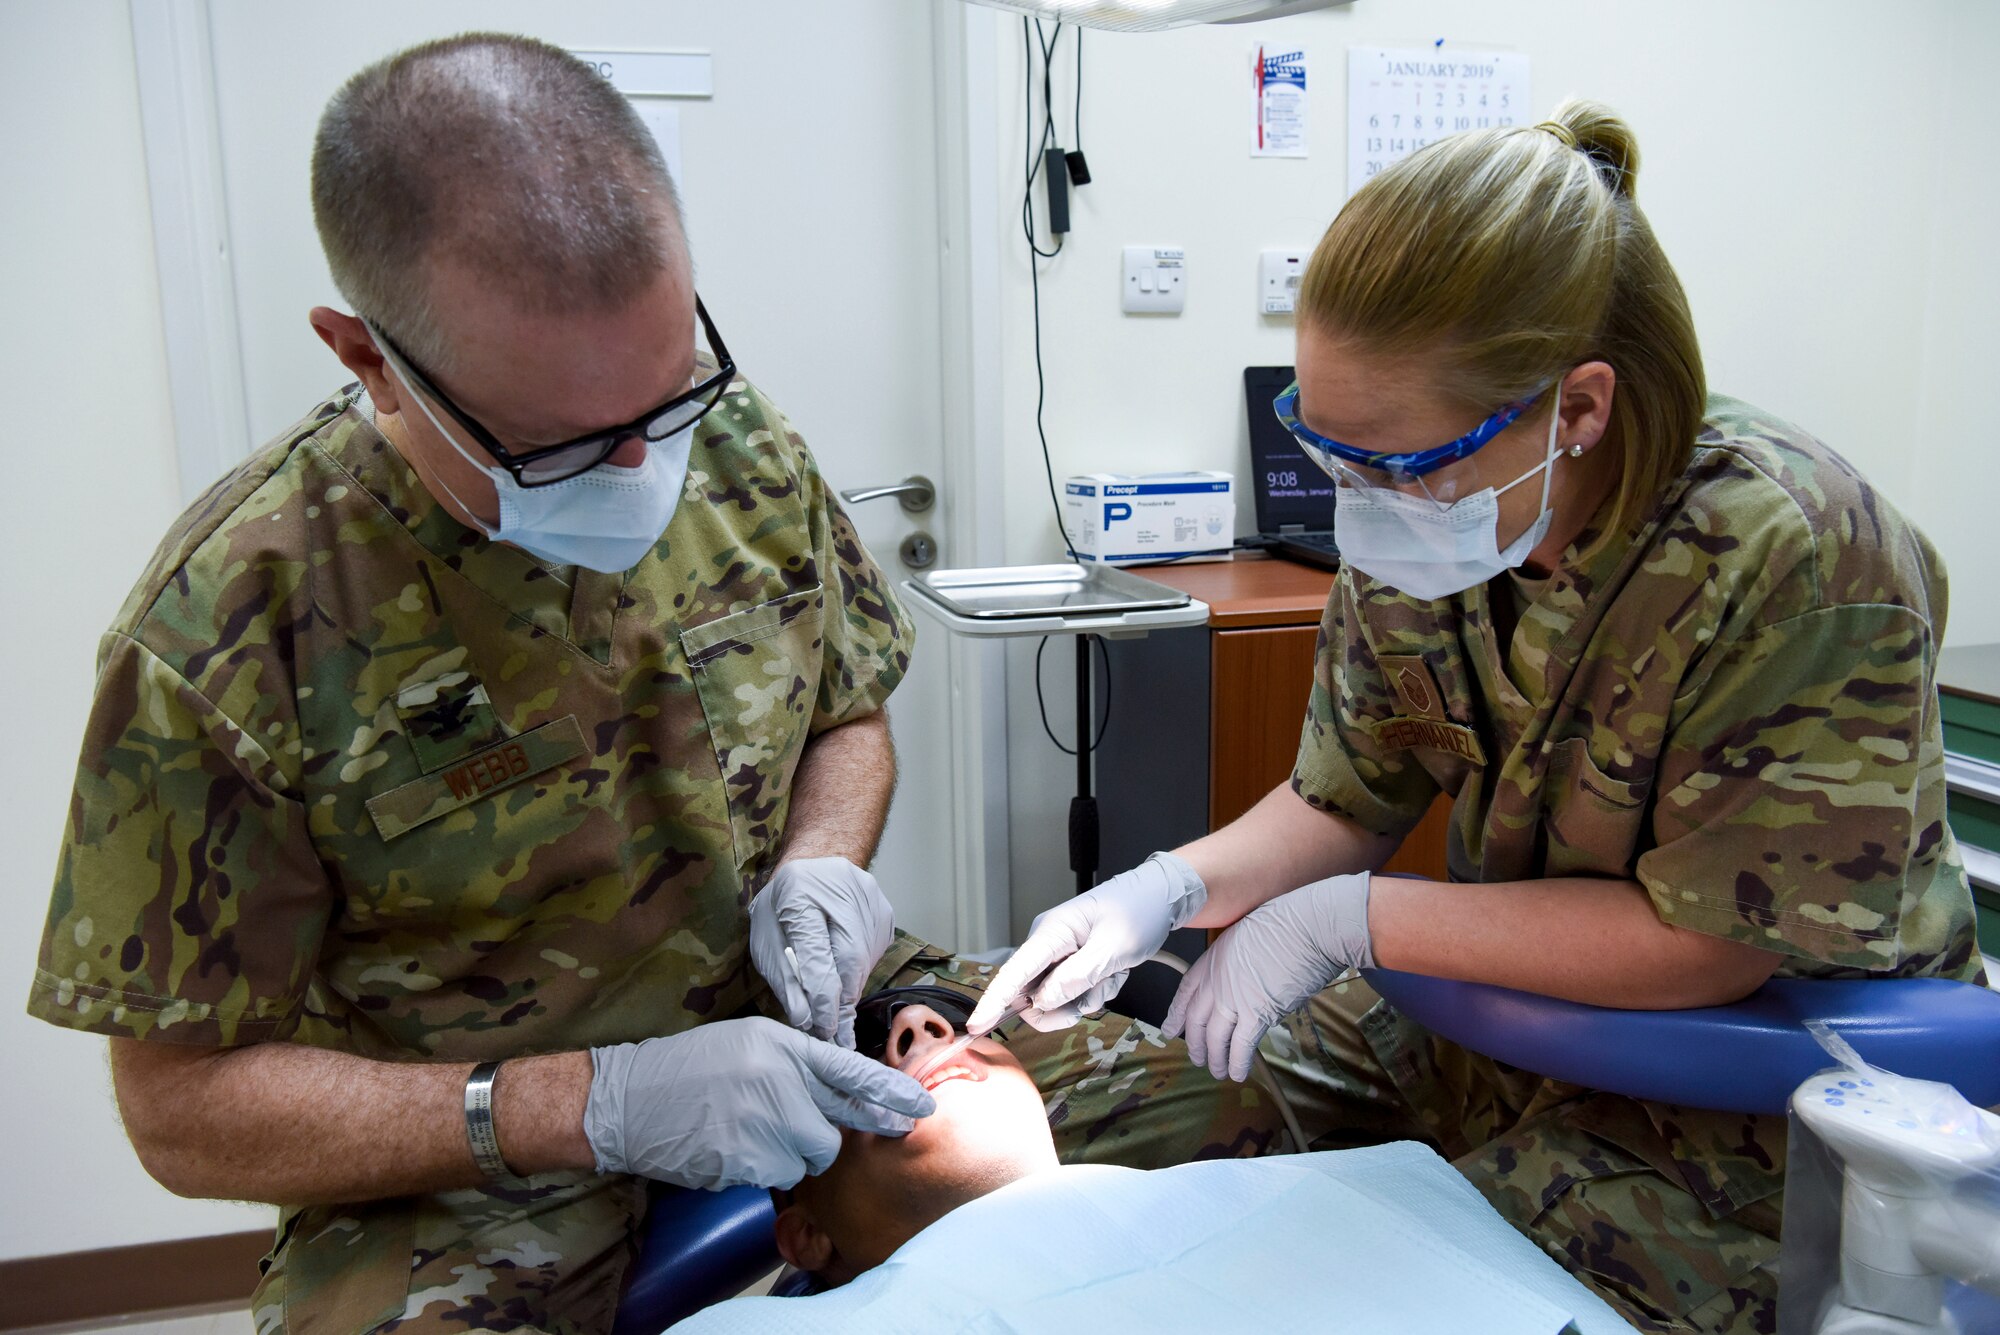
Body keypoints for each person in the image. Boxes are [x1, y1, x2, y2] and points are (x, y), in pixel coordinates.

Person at [25, 33, 1275, 1334]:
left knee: (1242, 1106)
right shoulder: (233, 628)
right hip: (476, 1136)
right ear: (369, 358)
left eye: (670, 389)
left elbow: (846, 713)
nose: (645, 463)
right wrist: (586, 1101)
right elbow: (184, 1108)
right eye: (569, 442)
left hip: (819, 1018)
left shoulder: (736, 444)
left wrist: (821, 865)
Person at [972, 98, 1984, 1334]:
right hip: (1485, 1023)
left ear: (1579, 410)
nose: (1354, 503)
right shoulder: (1432, 538)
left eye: (1392, 466)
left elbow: (1707, 947)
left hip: (1752, 1091)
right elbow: (1339, 799)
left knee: (1404, 1279)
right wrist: (1164, 890)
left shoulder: (1795, 559)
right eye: (1322, 445)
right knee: (1116, 1114)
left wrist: (1353, 920)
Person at [726, 993, 1634, 1335]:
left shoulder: (1354, 1190)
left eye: (947, 1022)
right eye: (863, 1062)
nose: (921, 1030)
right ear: (804, 1233)